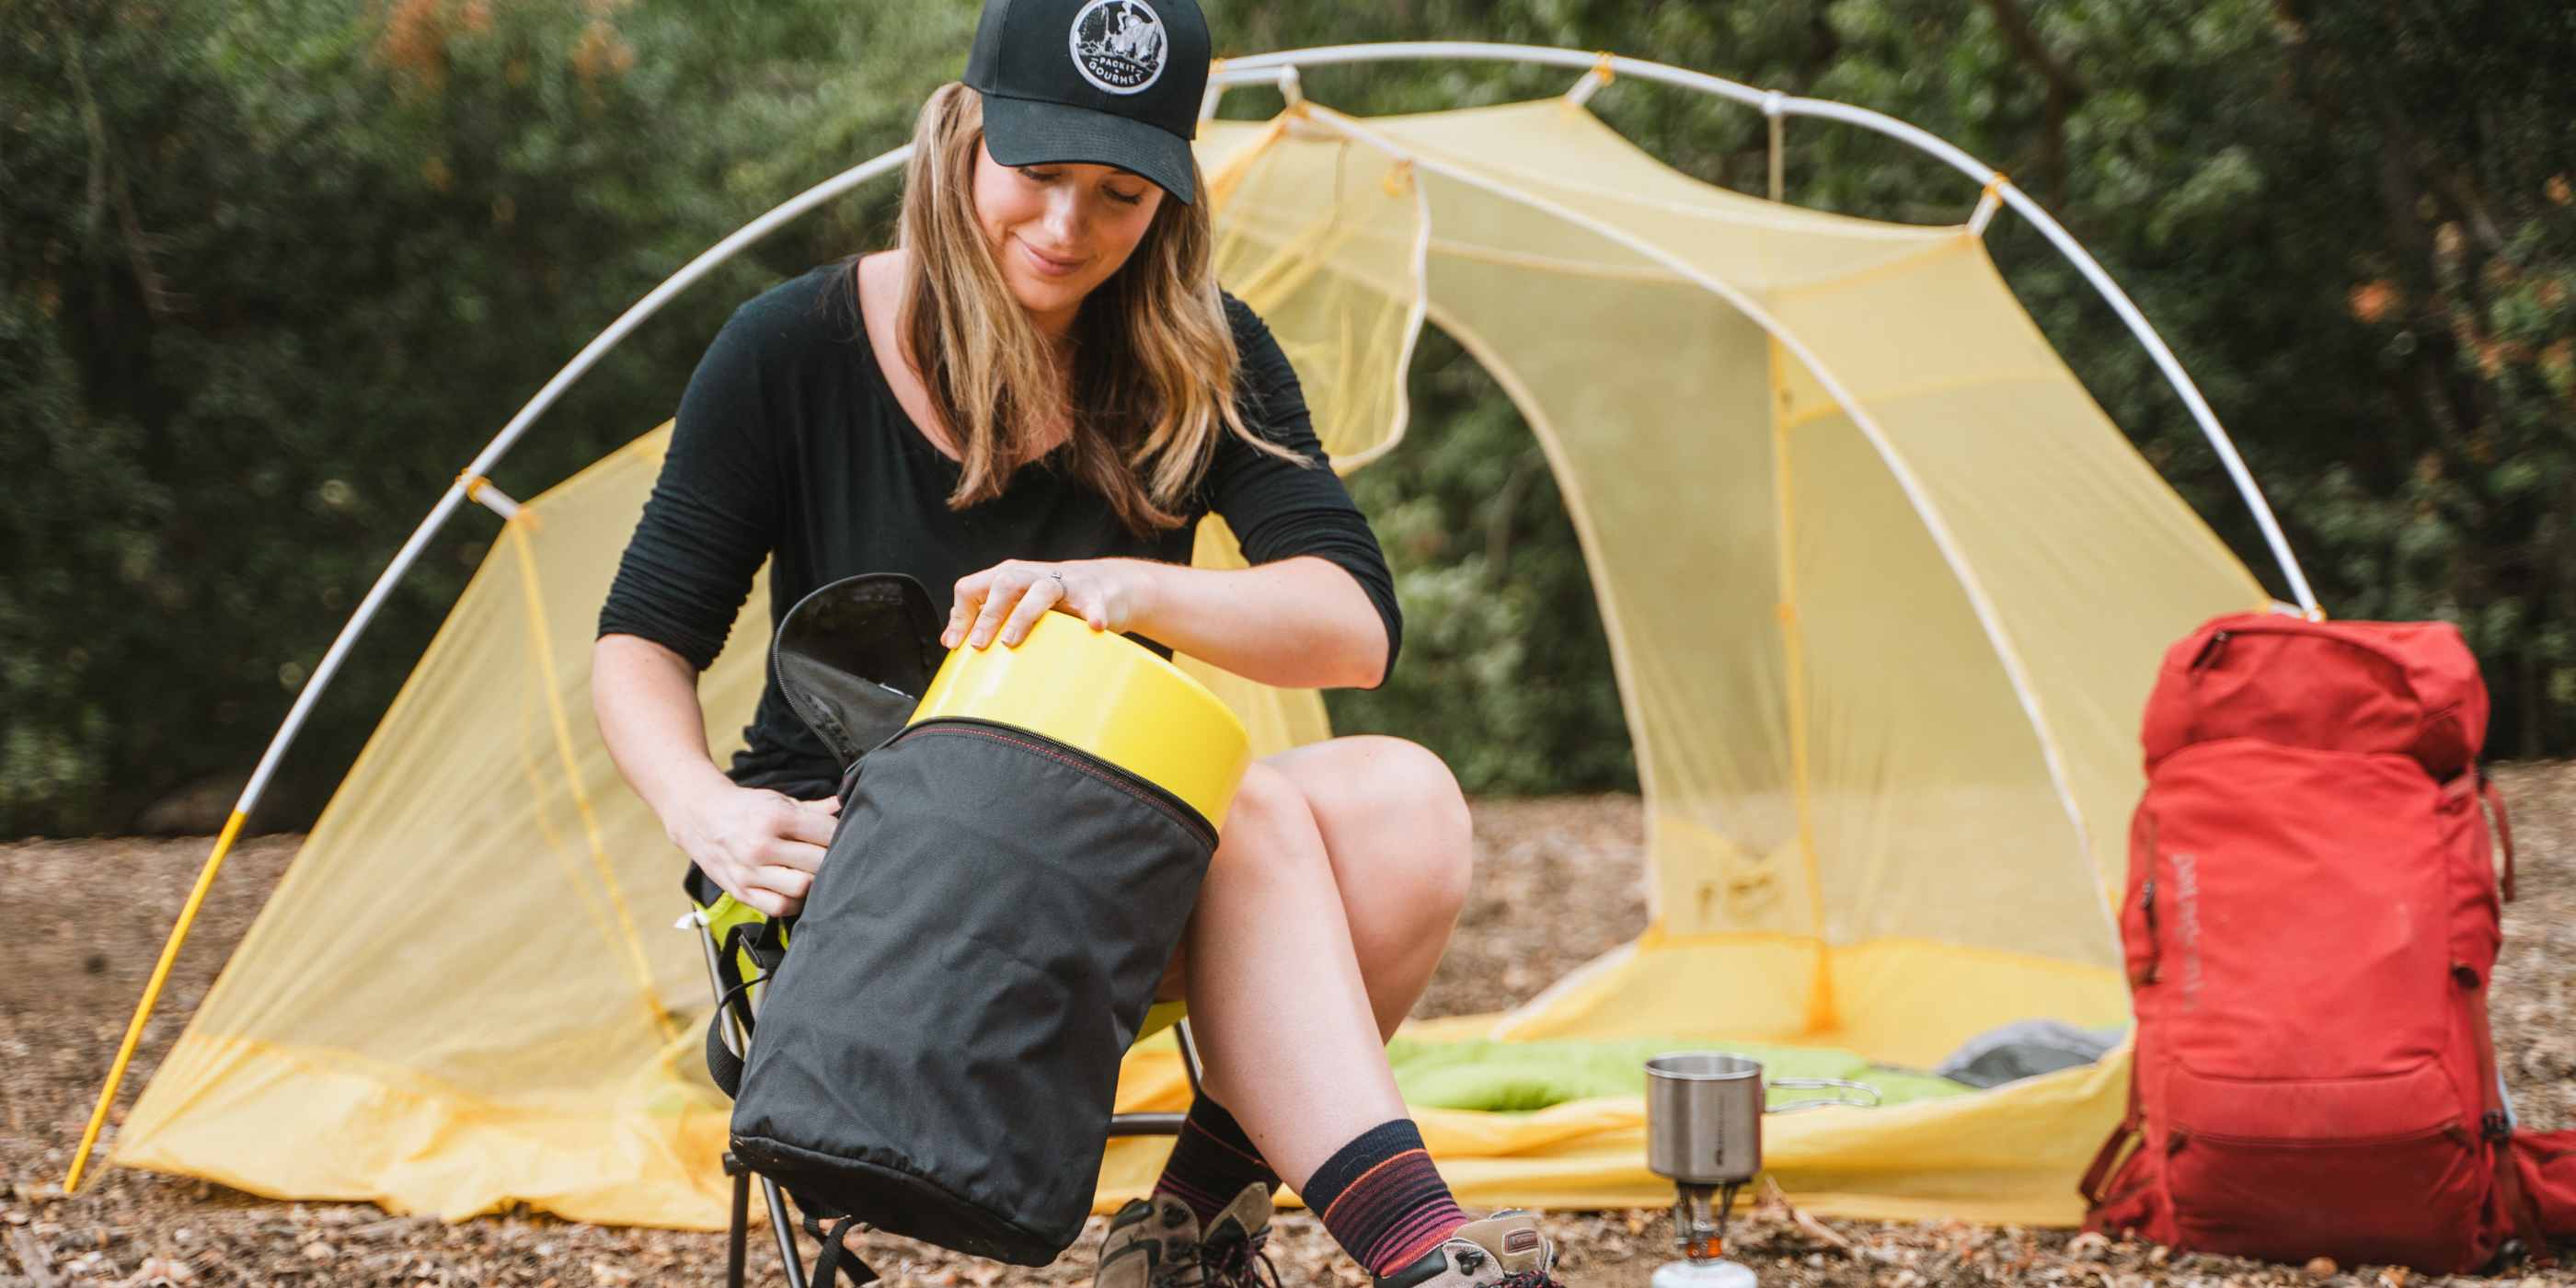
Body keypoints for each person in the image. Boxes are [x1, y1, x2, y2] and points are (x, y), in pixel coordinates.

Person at [591, 1, 1572, 1284]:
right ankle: (1421, 1253)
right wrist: (703, 811)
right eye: (1038, 173)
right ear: (963, 132)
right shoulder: (792, 348)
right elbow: (640, 641)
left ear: (1171, 197)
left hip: (1084, 872)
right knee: (1255, 817)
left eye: (1118, 193)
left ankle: (1185, 1229)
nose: (1066, 229)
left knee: (1408, 804)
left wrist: (1118, 587)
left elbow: (1354, 627)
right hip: (854, 891)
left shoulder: (1197, 355)